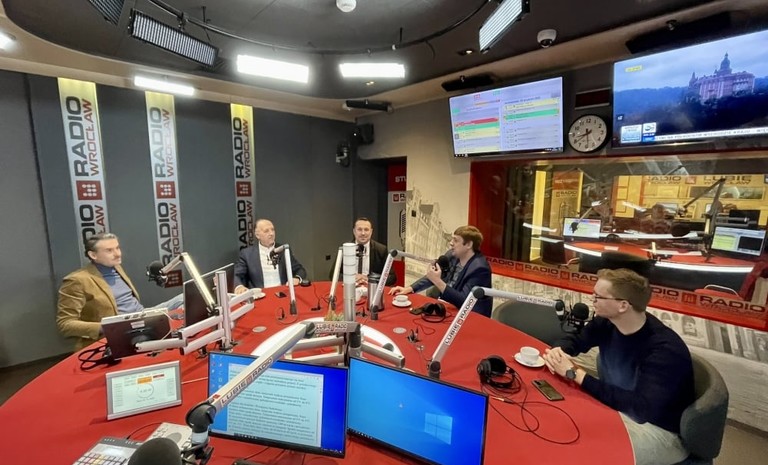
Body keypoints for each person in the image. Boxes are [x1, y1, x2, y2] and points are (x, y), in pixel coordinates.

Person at [542, 268, 695, 465]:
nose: (592, 299)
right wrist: (559, 351)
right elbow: (576, 340)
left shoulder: (664, 350)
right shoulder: (606, 323)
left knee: (583, 451)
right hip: (617, 409)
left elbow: (640, 409)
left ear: (623, 305)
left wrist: (576, 374)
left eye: (598, 296)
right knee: (559, 426)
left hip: (659, 431)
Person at [56, 232, 183, 352]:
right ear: (93, 255)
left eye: (117, 248)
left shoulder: (116, 267)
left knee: (184, 297)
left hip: (142, 315)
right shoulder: (76, 280)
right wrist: (108, 327)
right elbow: (65, 324)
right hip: (124, 328)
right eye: (109, 250)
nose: (117, 254)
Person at [389, 225, 492, 317]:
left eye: (456, 240)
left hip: (471, 316)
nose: (451, 243)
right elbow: (433, 275)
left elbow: (464, 302)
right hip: (449, 306)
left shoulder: (480, 269)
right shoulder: (451, 255)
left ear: (468, 245)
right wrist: (410, 288)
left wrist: (438, 281)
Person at [234, 219, 307, 293]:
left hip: (283, 292)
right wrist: (239, 286)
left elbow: (300, 270)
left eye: (273, 230)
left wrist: (297, 278)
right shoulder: (247, 254)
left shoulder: (283, 250)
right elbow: (237, 275)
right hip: (260, 294)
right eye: (266, 231)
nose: (271, 233)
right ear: (257, 235)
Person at [342, 217, 397, 287]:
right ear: (354, 231)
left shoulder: (381, 250)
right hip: (349, 287)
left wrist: (368, 278)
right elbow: (333, 274)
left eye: (366, 230)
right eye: (359, 229)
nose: (363, 233)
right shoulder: (346, 249)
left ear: (371, 232)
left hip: (371, 289)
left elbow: (391, 278)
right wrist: (351, 278)